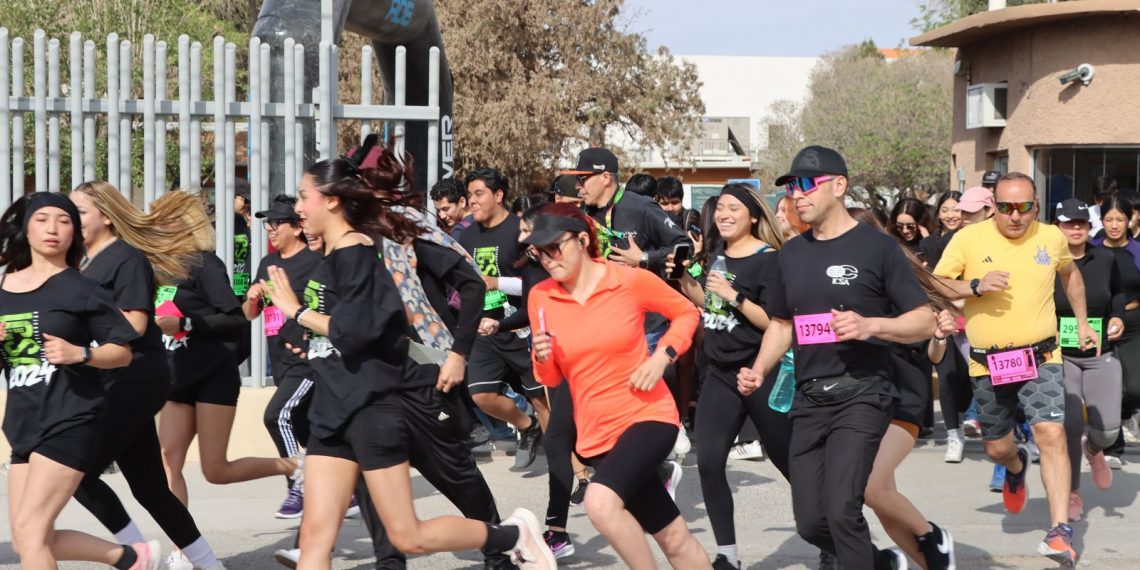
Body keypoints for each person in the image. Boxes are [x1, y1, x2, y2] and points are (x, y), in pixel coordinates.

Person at [267, 155, 553, 570]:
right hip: (362, 380)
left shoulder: (400, 229)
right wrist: (303, 337)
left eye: (305, 196)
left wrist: (458, 355)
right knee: (360, 478)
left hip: (420, 369)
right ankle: (387, 560)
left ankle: (503, 545)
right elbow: (331, 308)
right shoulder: (336, 240)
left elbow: (471, 285)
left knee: (450, 470)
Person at [737, 146, 936, 570]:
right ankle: (881, 563)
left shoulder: (878, 248)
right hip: (810, 399)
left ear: (840, 185)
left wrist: (871, 326)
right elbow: (782, 324)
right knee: (812, 522)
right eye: (792, 187)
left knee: (843, 508)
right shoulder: (791, 254)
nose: (798, 194)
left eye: (808, 184)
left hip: (864, 392)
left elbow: (923, 320)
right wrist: (758, 369)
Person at [526, 204, 708, 569]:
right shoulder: (541, 297)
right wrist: (541, 357)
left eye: (554, 247)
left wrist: (661, 357)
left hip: (648, 415)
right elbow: (551, 379)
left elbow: (687, 312)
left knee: (599, 502)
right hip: (597, 435)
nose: (547, 258)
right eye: (538, 251)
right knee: (673, 537)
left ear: (582, 240)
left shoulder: (627, 280)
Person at [933, 172, 1098, 565]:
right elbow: (936, 282)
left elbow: (1070, 275)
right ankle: (1015, 464)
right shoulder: (969, 239)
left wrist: (1083, 321)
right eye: (1005, 207)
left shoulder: (1051, 238)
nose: (1014, 216)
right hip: (987, 361)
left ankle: (1060, 532)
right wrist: (975, 285)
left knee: (1052, 434)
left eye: (1023, 207)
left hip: (1041, 355)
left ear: (1035, 206)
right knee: (996, 447)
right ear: (994, 205)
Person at [67, 181, 224, 570]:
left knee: (74, 471)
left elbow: (136, 324)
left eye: (80, 211)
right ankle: (208, 564)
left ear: (106, 216)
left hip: (133, 379)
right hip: (116, 381)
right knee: (150, 488)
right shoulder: (85, 262)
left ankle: (135, 553)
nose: (72, 219)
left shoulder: (125, 258)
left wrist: (78, 336)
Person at [0, 192, 160, 569]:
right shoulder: (4, 289)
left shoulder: (81, 288)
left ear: (74, 232)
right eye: (42, 219)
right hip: (24, 422)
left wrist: (81, 353)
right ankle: (131, 558)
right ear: (26, 228)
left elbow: (122, 351)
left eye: (64, 220)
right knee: (27, 539)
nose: (53, 228)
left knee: (32, 532)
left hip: (71, 419)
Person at [668, 183, 792, 570]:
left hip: (759, 372)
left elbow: (775, 322)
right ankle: (729, 555)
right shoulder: (718, 254)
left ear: (753, 216)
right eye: (720, 207)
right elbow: (711, 304)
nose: (724, 214)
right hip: (720, 375)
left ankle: (829, 534)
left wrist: (735, 296)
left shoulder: (769, 259)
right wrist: (685, 280)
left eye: (733, 208)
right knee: (708, 462)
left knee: (790, 463)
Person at [151, 191, 296, 507]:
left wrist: (185, 324)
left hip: (213, 374)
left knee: (216, 471)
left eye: (164, 218)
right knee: (166, 460)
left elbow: (235, 318)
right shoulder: (160, 267)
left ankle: (295, 466)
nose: (157, 224)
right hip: (178, 376)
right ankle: (181, 537)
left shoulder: (205, 264)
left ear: (184, 222)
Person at [460, 166, 548, 471]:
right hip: (486, 328)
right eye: (469, 195)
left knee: (541, 400)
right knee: (481, 394)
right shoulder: (467, 235)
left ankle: (569, 470)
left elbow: (539, 286)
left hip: (522, 327)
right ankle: (527, 427)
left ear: (498, 195)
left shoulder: (519, 231)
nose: (472, 201)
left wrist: (497, 283)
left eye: (479, 194)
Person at [242, 194, 323, 518]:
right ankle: (346, 491)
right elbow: (251, 313)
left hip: (307, 361)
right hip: (280, 362)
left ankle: (299, 487)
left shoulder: (315, 261)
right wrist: (253, 298)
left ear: (297, 227)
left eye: (277, 223)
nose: (271, 229)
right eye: (268, 224)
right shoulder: (268, 263)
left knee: (276, 416)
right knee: (307, 431)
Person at [1052, 198, 1124, 522]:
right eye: (1069, 223)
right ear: (1057, 226)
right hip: (1061, 356)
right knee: (1069, 425)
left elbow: (1119, 294)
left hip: (1099, 352)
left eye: (1081, 222)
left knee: (1108, 430)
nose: (1076, 228)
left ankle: (1093, 450)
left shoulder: (1105, 258)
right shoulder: (1046, 263)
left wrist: (1118, 317)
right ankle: (1072, 492)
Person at [1091, 196, 1140, 466]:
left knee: (1135, 389)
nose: (1114, 225)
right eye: (1108, 219)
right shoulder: (1092, 249)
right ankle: (1113, 448)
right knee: (1111, 386)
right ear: (1101, 220)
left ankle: (1124, 415)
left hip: (1134, 322)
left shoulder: (1137, 251)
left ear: (1130, 219)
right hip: (1101, 323)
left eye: (1120, 219)